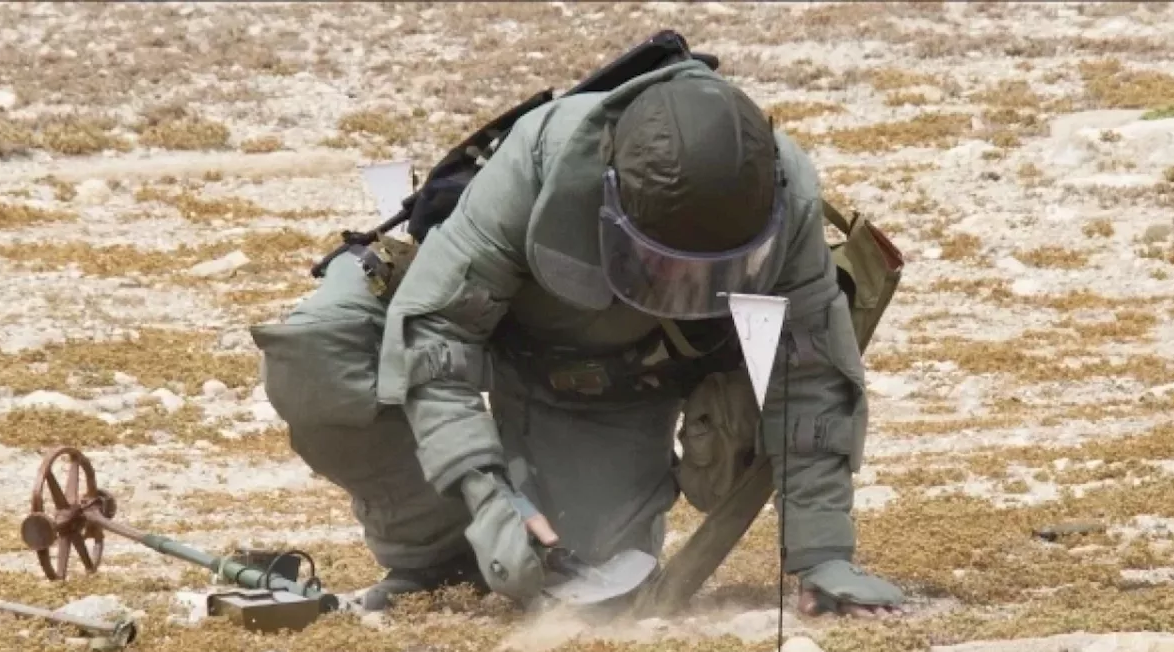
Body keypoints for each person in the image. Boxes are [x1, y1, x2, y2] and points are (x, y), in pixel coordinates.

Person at [253, 56, 905, 619]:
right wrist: (488, 503)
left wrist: (823, 555)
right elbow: (438, 337)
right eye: (665, 264)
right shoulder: (538, 163)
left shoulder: (784, 194)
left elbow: (813, 371)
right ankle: (437, 555)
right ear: (611, 199)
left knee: (589, 585)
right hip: (494, 321)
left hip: (607, 384)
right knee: (323, 349)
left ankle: (519, 537)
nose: (689, 285)